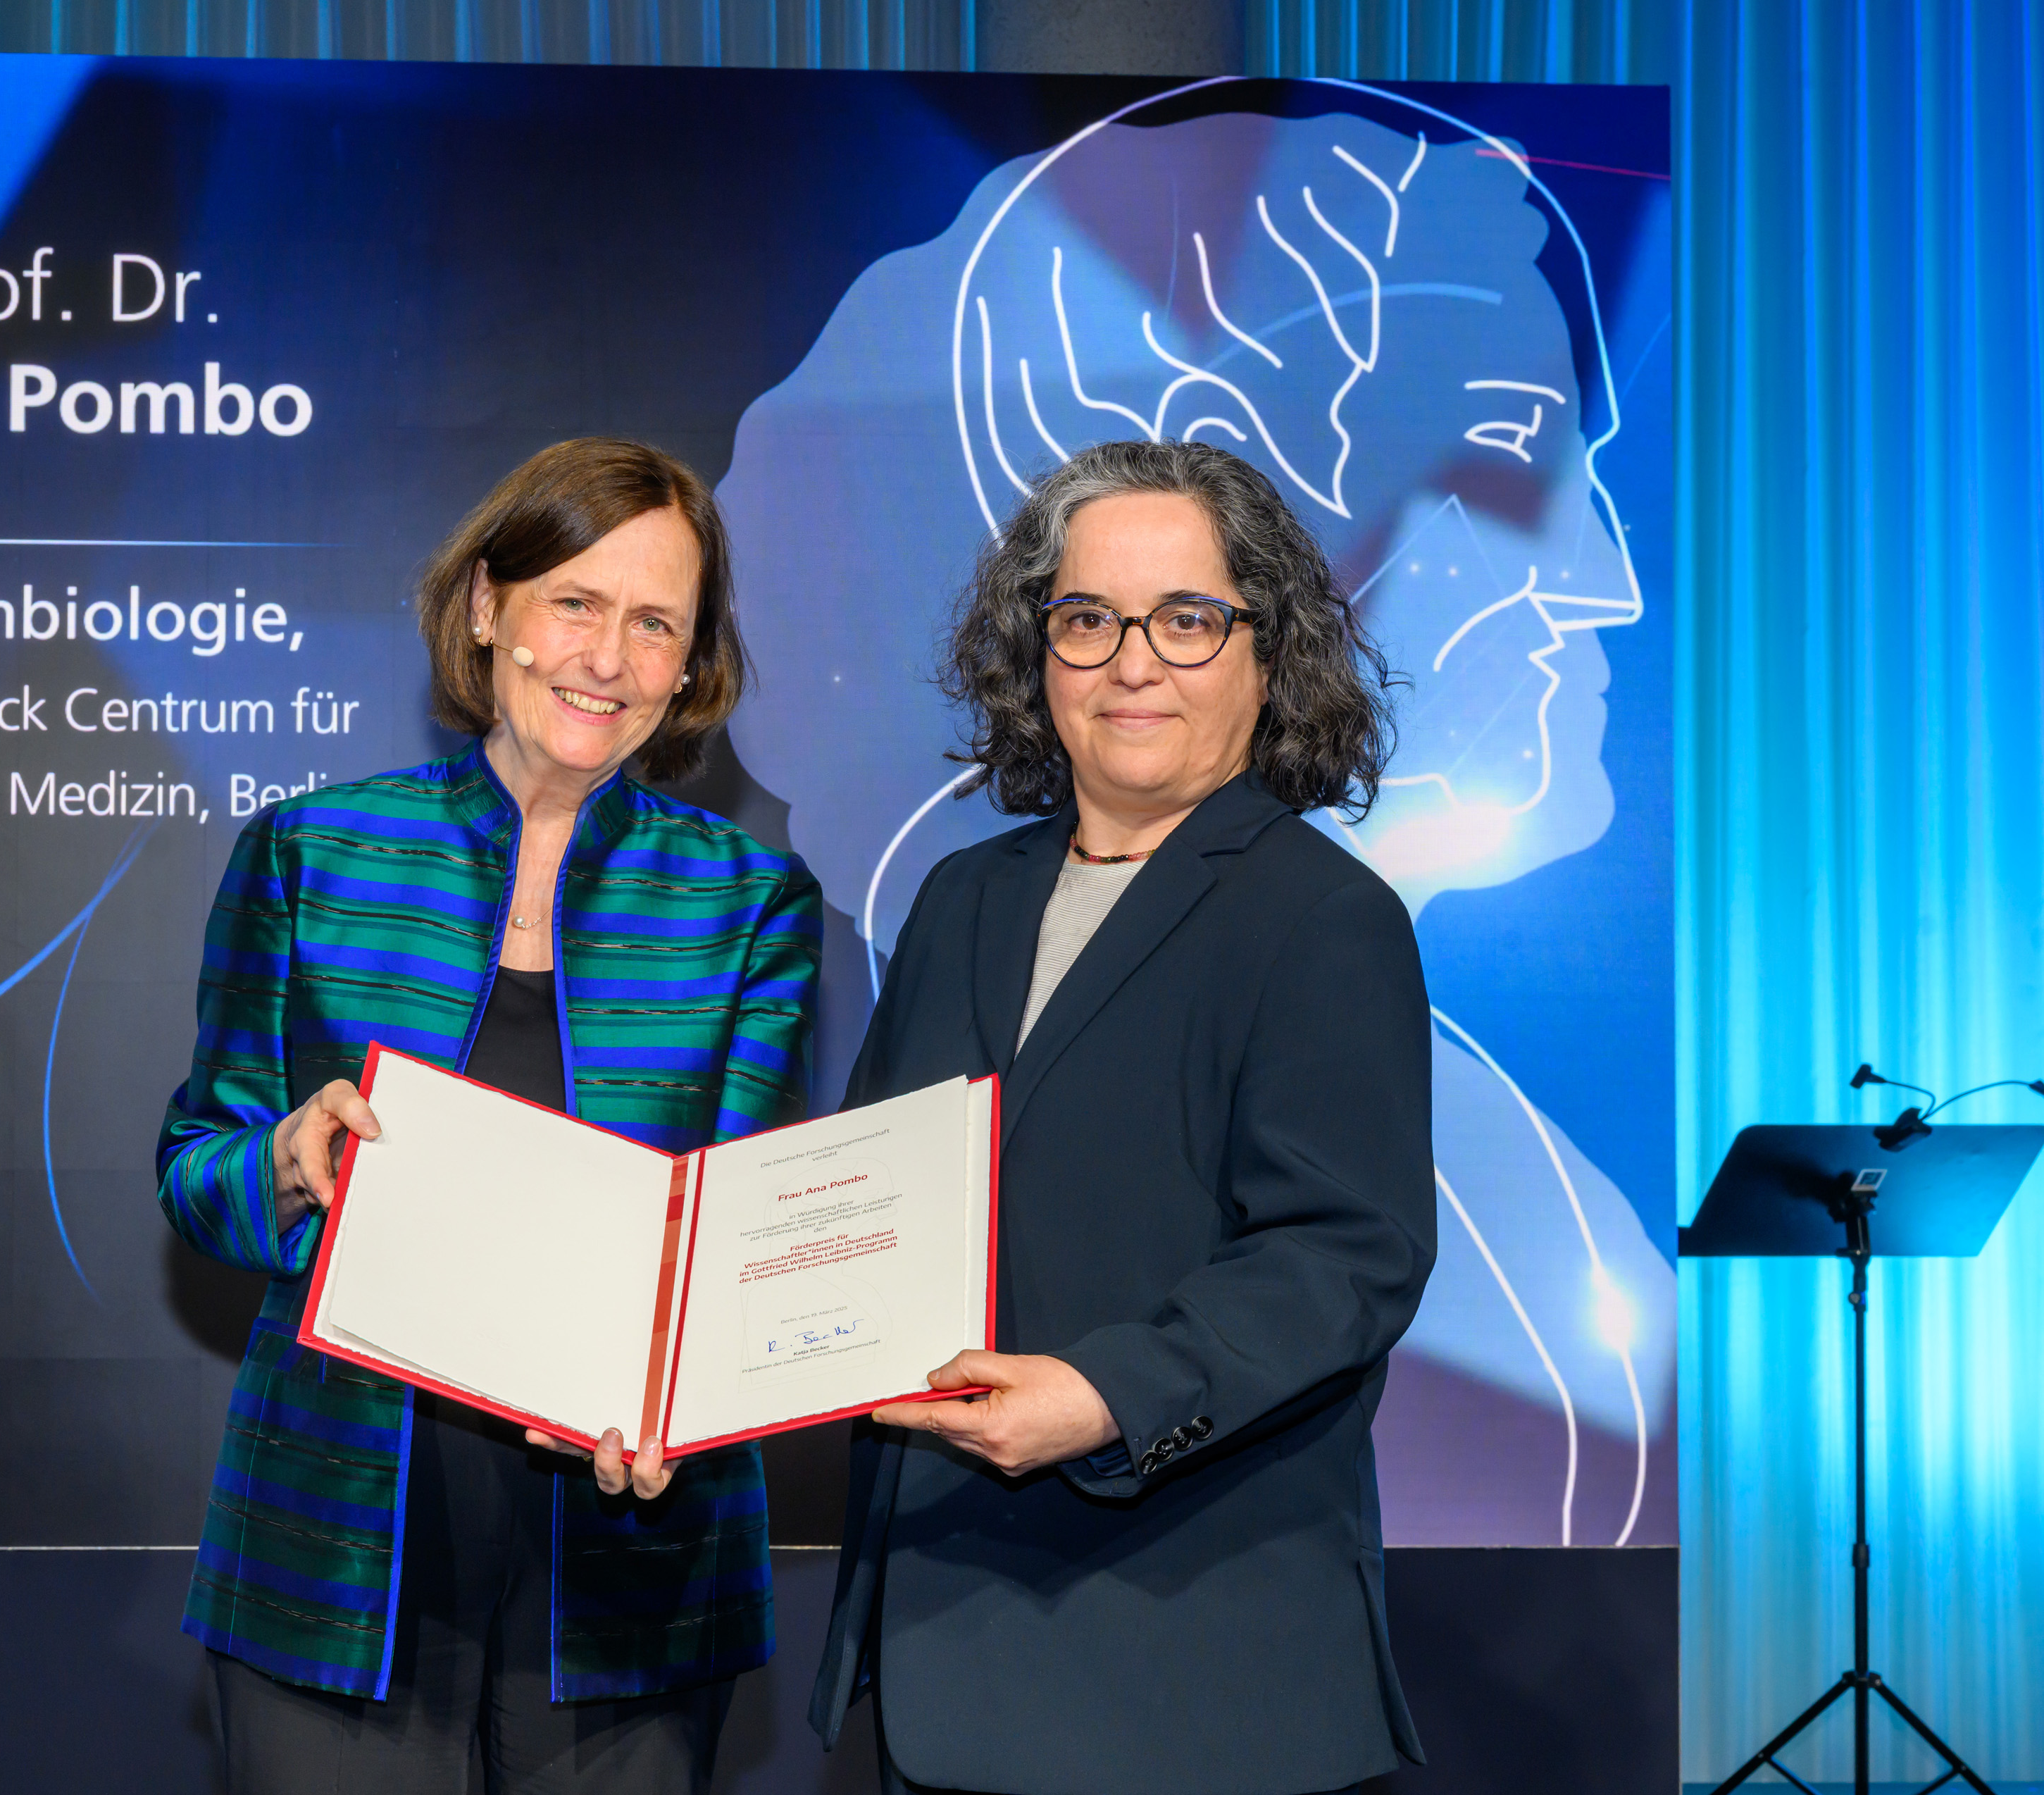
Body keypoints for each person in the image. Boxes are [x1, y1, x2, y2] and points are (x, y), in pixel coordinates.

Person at [159, 437, 821, 1795]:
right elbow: (193, 1167)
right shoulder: (311, 852)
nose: (608, 657)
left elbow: (738, 1231)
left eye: (656, 624)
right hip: (332, 1546)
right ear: (484, 606)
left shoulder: (751, 901)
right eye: (574, 602)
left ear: (690, 668)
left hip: (636, 1558)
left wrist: (696, 1391)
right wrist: (281, 1161)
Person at [808, 438, 1437, 1795]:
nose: (1132, 663)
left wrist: (1104, 1396)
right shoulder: (962, 899)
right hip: (938, 1647)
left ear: (1268, 655)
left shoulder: (1324, 919)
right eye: (1087, 618)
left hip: (1183, 1670)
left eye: (1186, 619)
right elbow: (860, 1198)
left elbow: (1346, 1256)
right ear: (1036, 654)